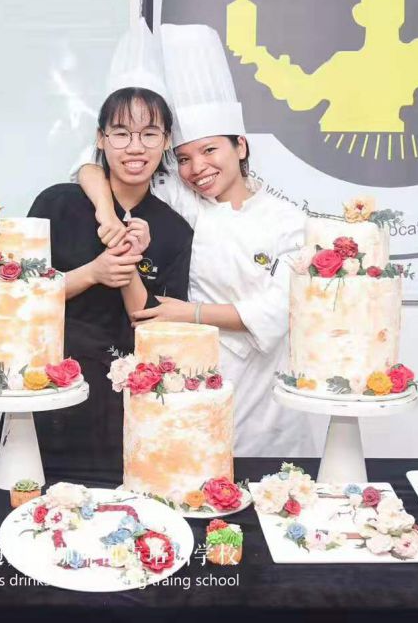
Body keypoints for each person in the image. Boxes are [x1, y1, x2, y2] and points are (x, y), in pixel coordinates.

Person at [71, 23, 319, 458]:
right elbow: (91, 167)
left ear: (240, 146)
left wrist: (190, 313)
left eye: (210, 150)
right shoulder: (184, 201)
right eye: (183, 158)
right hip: (191, 382)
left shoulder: (289, 221)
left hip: (265, 397)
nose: (197, 168)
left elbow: (279, 310)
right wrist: (107, 213)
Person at [27, 24, 193, 479]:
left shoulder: (174, 230)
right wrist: (93, 272)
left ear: (166, 142)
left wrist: (129, 265)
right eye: (121, 133)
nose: (135, 148)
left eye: (149, 134)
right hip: (45, 384)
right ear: (100, 139)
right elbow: (16, 300)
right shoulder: (56, 204)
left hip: (123, 396)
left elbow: (157, 327)